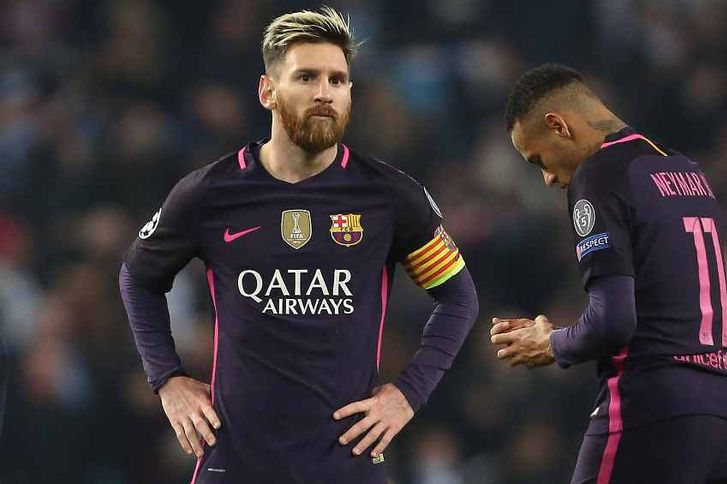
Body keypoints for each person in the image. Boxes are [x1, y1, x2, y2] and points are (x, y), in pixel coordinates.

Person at [119, 7, 478, 483]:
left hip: (345, 463)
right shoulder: (210, 193)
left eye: (337, 80)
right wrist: (167, 379)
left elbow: (459, 298)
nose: (324, 92)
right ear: (267, 91)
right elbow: (138, 279)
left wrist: (408, 394)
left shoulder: (389, 196)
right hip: (238, 461)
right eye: (306, 77)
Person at [490, 64, 727, 483]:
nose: (547, 179)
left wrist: (552, 343)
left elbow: (612, 321)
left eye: (538, 160)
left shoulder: (600, 175)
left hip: (651, 408)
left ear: (558, 125)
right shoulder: (688, 171)